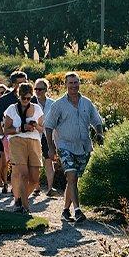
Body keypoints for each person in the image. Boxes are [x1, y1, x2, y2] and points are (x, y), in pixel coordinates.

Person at [44, 72, 104, 224]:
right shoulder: (58, 105)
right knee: (71, 176)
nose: (73, 85)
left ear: (79, 83)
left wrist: (99, 134)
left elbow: (97, 121)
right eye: (70, 83)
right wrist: (51, 148)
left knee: (74, 180)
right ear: (65, 85)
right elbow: (49, 126)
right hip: (65, 146)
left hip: (83, 147)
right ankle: (77, 211)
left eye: (76, 82)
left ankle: (65, 210)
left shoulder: (87, 103)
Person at [2, 83, 44, 214]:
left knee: (34, 179)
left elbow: (43, 128)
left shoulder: (37, 109)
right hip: (16, 141)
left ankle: (20, 199)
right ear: (19, 96)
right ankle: (26, 208)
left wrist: (36, 126)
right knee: (23, 175)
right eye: (23, 98)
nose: (26, 101)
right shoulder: (11, 109)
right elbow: (6, 130)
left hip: (34, 142)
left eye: (29, 98)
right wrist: (21, 128)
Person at [0, 71, 29, 205]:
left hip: (28, 138)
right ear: (14, 84)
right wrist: (2, 136)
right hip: (11, 138)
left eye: (25, 81)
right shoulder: (5, 99)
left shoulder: (32, 97)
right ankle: (17, 197)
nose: (23, 85)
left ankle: (21, 195)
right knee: (14, 167)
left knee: (28, 171)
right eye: (20, 83)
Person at [32, 78, 58, 197]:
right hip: (34, 136)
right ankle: (36, 186)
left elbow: (57, 122)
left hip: (48, 136)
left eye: (40, 89)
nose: (38, 91)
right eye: (36, 89)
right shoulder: (31, 103)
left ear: (46, 90)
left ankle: (50, 188)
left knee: (49, 162)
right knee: (35, 163)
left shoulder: (53, 104)